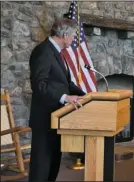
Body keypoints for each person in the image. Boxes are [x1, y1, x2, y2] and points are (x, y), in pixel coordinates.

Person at [28, 18, 85, 181]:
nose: (74, 39)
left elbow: (66, 83)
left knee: (53, 166)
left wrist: (86, 96)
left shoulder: (58, 53)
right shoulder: (43, 51)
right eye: (73, 36)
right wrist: (65, 97)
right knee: (42, 168)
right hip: (45, 119)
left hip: (58, 117)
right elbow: (39, 85)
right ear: (65, 34)